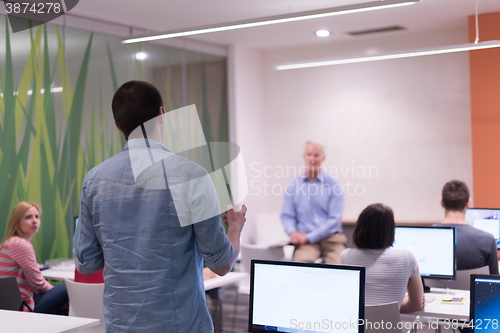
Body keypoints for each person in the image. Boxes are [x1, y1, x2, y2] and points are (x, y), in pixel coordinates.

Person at [73, 80, 246, 332]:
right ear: (162, 114)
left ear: (118, 125)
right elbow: (220, 265)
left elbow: (87, 263)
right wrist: (235, 229)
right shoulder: (191, 175)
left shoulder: (95, 179)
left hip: (121, 326)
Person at [341, 204, 425, 313]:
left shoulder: (346, 256)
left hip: (354, 327)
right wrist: (397, 303)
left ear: (359, 228)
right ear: (390, 230)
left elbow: (347, 302)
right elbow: (416, 305)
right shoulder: (407, 258)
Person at [280, 141, 346, 264]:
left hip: (331, 239)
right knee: (300, 266)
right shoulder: (293, 186)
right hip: (305, 241)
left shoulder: (334, 185)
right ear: (304, 156)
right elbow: (287, 215)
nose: (312, 159)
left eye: (316, 155)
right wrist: (293, 232)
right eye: (309, 154)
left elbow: (334, 219)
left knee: (339, 268)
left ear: (323, 158)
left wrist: (309, 237)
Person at [0, 201, 69, 314]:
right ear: (17, 222)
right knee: (69, 286)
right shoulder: (20, 244)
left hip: (11, 304)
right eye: (28, 217)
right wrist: (58, 295)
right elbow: (38, 283)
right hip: (22, 306)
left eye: (37, 216)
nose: (34, 221)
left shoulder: (10, 242)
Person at [435, 180, 498, 274]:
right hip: (474, 289)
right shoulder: (487, 240)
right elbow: (494, 279)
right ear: (468, 203)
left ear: (441, 203)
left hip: (433, 289)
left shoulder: (425, 236)